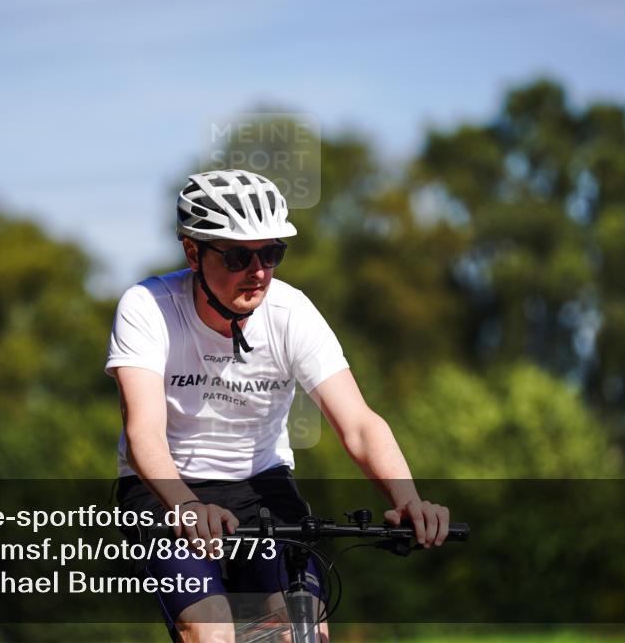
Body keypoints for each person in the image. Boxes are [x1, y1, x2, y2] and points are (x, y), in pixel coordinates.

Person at [106, 169, 451, 643]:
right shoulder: (148, 307)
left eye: (272, 253)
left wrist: (407, 500)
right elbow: (143, 433)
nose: (259, 271)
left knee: (301, 629)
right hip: (166, 490)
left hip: (260, 486)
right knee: (211, 632)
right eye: (238, 256)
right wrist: (186, 505)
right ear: (192, 252)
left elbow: (359, 423)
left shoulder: (291, 313)